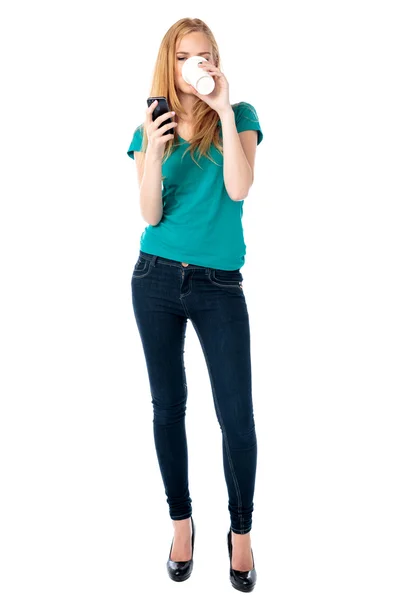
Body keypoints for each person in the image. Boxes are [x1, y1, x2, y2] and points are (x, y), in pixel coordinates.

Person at [126, 18, 263, 592]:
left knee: (236, 414)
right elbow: (150, 215)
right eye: (186, 56)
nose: (197, 65)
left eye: (206, 54)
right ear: (171, 61)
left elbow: (238, 187)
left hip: (219, 285)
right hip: (155, 279)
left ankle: (240, 533)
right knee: (168, 407)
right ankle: (181, 524)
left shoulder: (243, 116)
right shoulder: (148, 128)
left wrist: (227, 111)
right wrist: (154, 152)